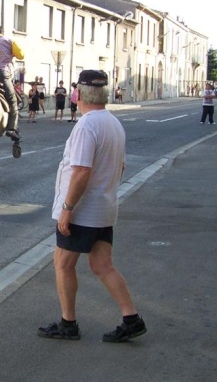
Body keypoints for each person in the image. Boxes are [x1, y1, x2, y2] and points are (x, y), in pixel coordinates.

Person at [38, 69, 146, 342]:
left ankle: (68, 324)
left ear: (78, 94)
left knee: (62, 264)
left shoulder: (86, 125)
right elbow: (120, 166)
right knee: (102, 265)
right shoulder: (112, 122)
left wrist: (67, 207)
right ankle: (131, 318)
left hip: (83, 212)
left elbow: (81, 171)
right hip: (104, 208)